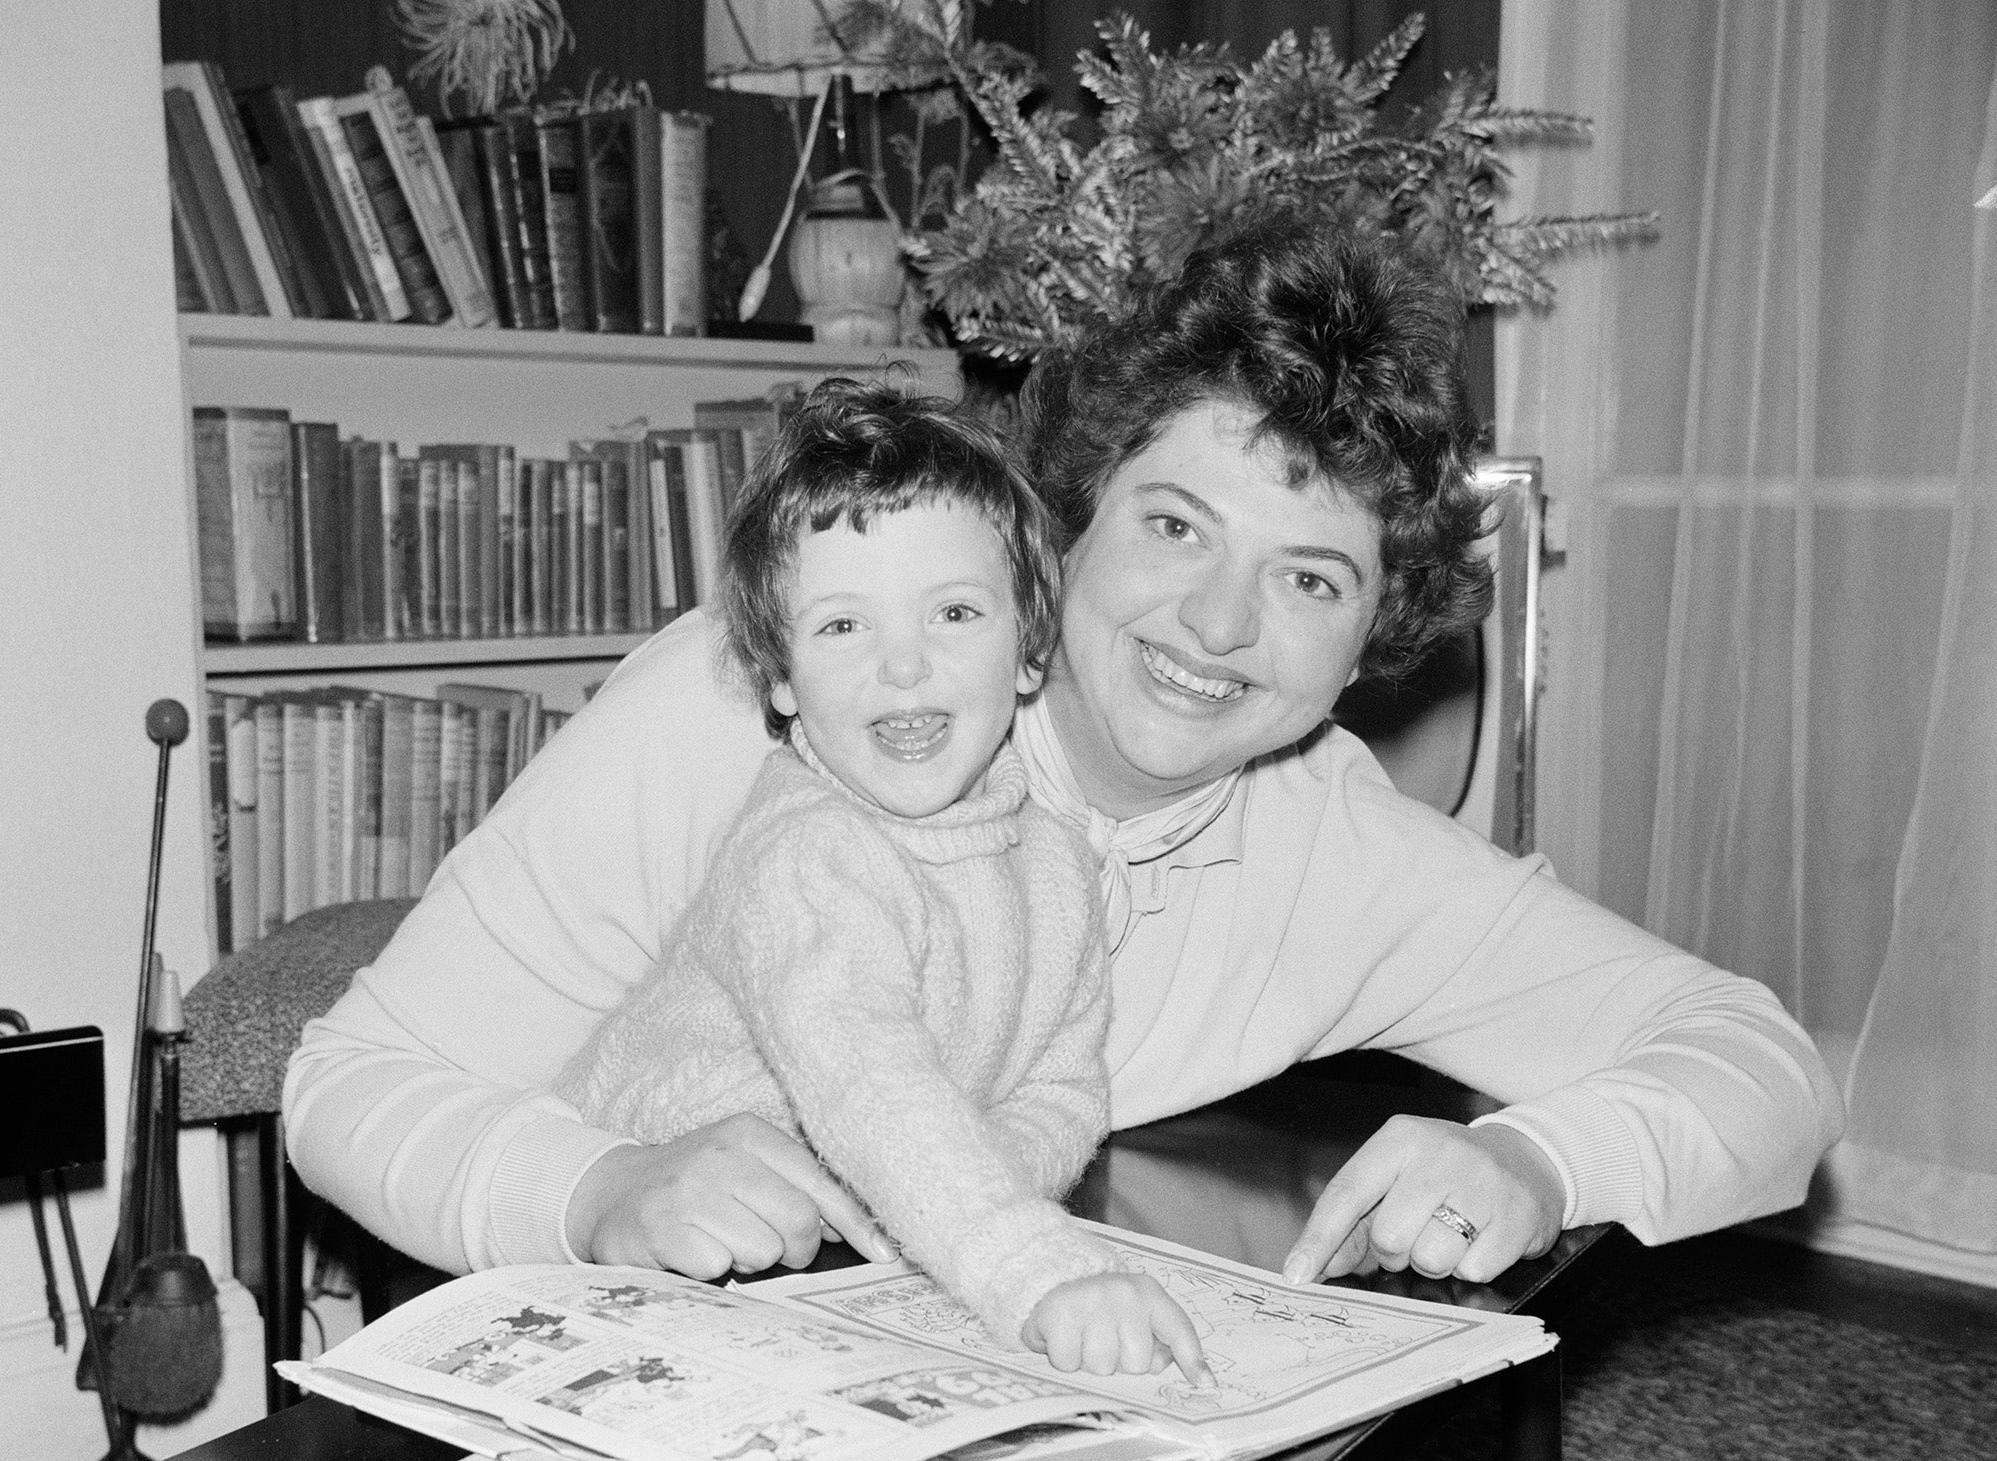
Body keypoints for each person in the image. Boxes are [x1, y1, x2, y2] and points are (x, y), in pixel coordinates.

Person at [283, 213, 1841, 1309]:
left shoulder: (1349, 862)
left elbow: (1762, 1069)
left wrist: (1539, 1159)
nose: (1218, 622)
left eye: (1313, 577)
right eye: (1176, 526)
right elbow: (348, 1085)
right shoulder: (765, 700)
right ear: (1072, 516)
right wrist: (598, 1191)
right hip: (590, 1355)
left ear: (1372, 643)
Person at [553, 381, 1206, 1382]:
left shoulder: (1055, 864)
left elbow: (1062, 1091)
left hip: (832, 1277)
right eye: (842, 628)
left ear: (1029, 647)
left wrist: (955, 1205)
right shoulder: (806, 856)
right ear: (779, 681)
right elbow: (873, 1086)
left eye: (951, 611)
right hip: (638, 1281)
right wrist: (1030, 1268)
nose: (902, 668)